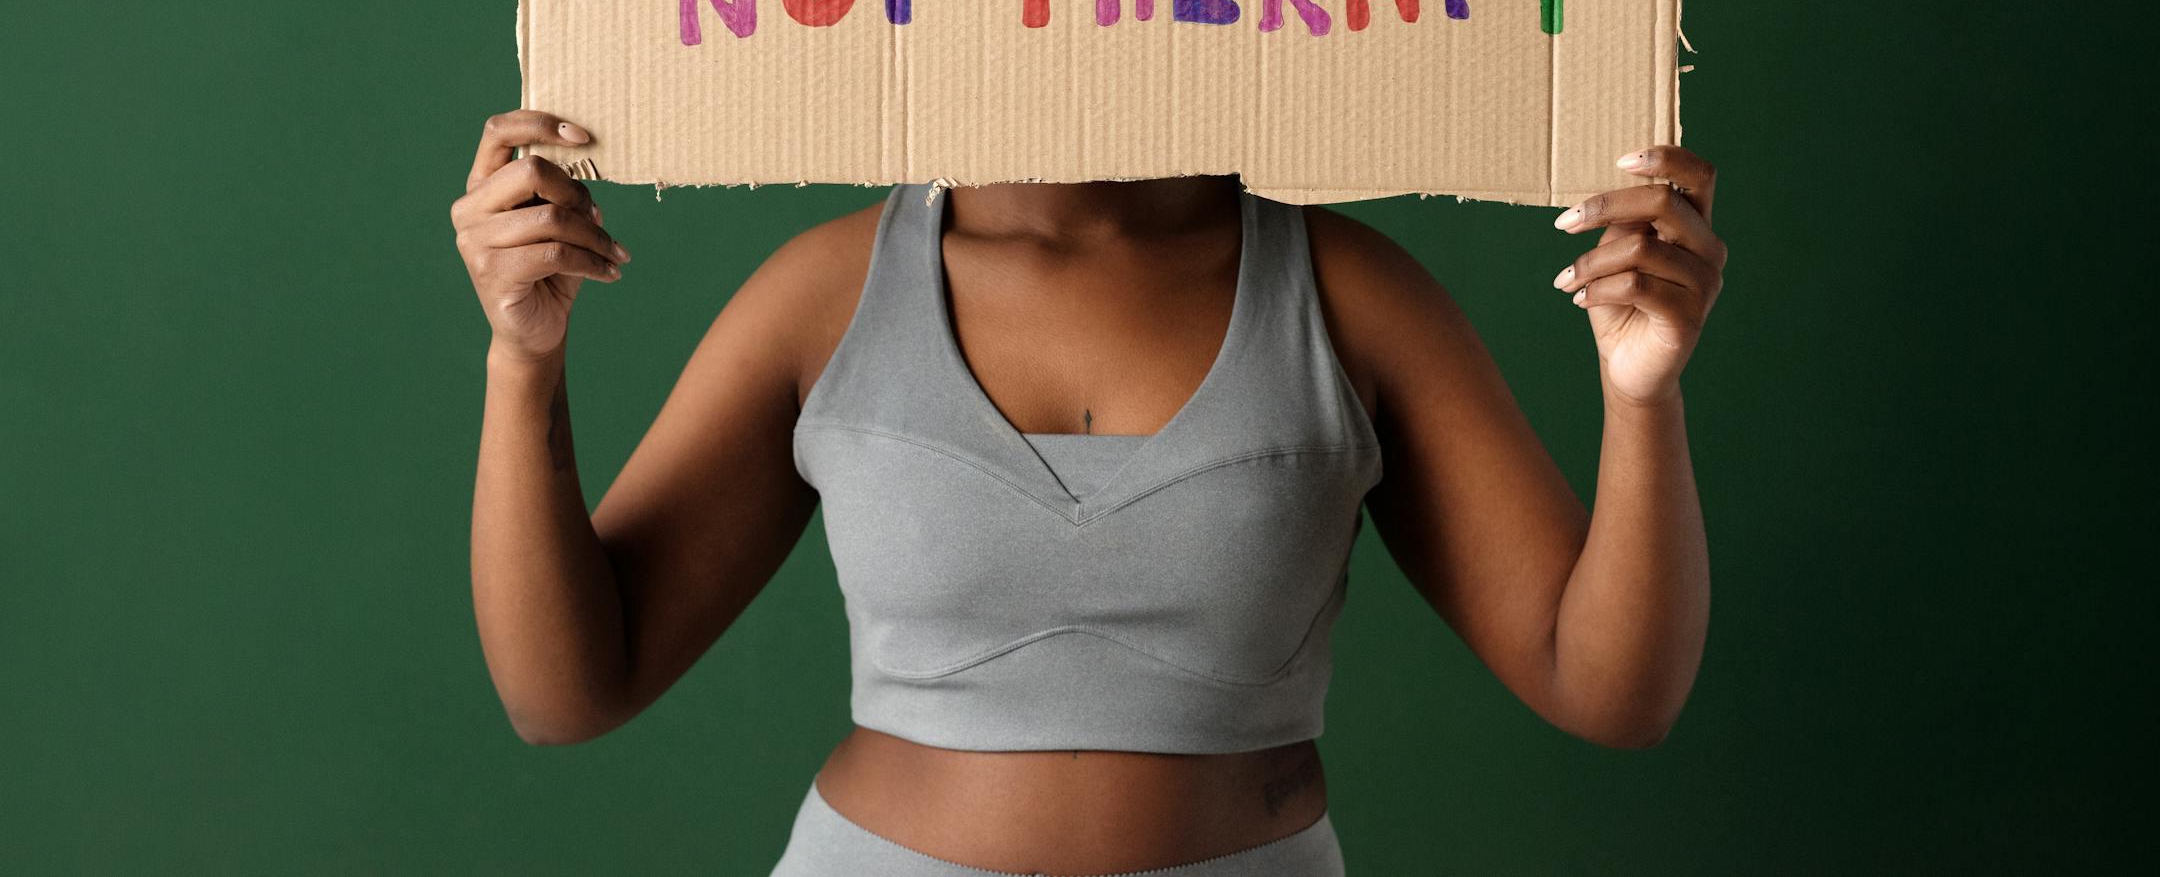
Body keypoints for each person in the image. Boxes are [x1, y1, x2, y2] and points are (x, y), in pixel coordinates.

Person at [457, 110, 1723, 876]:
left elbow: (1610, 690)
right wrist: (525, 358)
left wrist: (1642, 392)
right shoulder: (825, 294)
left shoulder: (1352, 292)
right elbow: (566, 690)